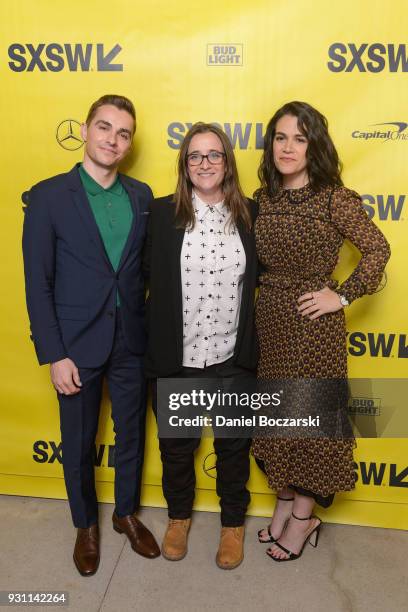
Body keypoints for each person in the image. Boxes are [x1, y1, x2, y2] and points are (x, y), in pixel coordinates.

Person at [22, 94, 160, 576]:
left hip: (131, 342)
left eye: (123, 133)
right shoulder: (47, 197)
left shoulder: (142, 197)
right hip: (75, 345)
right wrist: (54, 354)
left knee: (131, 436)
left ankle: (125, 514)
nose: (113, 139)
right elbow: (37, 284)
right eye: (104, 127)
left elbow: (143, 272)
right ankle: (85, 525)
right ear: (84, 130)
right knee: (78, 441)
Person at [252, 101, 391, 562]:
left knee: (309, 426)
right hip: (270, 322)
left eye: (299, 138)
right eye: (280, 137)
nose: (287, 147)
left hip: (313, 329)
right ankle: (286, 500)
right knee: (278, 422)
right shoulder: (264, 197)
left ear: (315, 146)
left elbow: (377, 250)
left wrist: (343, 295)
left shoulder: (334, 197)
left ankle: (305, 518)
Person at [143, 122, 258, 569]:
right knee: (176, 447)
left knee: (232, 446)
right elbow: (140, 279)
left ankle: (232, 526)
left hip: (232, 357)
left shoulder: (250, 213)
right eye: (195, 156)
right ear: (184, 164)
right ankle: (178, 518)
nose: (205, 163)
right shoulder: (161, 214)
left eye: (214, 155)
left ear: (227, 162)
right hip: (178, 359)